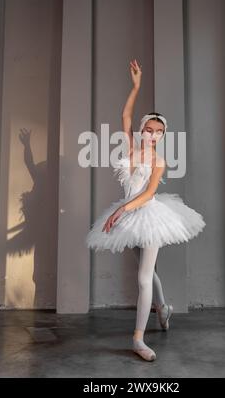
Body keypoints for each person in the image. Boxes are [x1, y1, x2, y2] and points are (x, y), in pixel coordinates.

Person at [85, 59, 206, 361]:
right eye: (149, 129)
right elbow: (125, 116)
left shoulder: (158, 160)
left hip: (149, 216)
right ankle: (164, 308)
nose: (152, 134)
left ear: (162, 137)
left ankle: (138, 339)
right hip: (128, 216)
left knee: (142, 278)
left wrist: (121, 210)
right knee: (148, 272)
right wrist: (136, 86)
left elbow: (150, 192)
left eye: (158, 132)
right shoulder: (130, 148)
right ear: (142, 131)